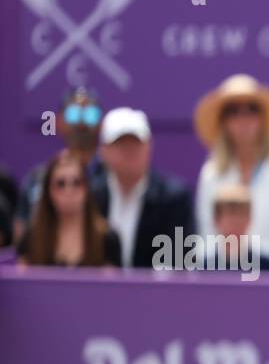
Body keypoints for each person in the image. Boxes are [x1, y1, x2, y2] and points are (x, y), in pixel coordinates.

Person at [193, 74, 269, 261]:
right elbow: (206, 233)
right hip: (224, 272)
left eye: (252, 109)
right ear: (223, 121)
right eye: (233, 111)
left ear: (262, 119)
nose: (243, 118)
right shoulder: (211, 173)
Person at [91, 108, 194, 270]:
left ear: (149, 146)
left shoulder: (174, 199)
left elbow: (179, 263)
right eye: (120, 143)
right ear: (103, 151)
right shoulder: (89, 196)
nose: (129, 151)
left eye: (136, 143)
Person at [13, 87, 104, 243]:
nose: (81, 123)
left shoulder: (112, 180)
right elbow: (21, 238)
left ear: (101, 123)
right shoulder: (38, 179)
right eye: (73, 115)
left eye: (90, 115)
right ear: (60, 122)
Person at [18, 150, 121, 268]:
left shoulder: (107, 239)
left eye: (76, 183)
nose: (69, 191)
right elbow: (23, 282)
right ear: (49, 191)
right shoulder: (31, 238)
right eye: (61, 184)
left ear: (86, 189)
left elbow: (113, 284)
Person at [206, 184, 269, 272]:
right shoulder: (202, 265)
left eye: (241, 215)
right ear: (216, 220)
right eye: (231, 215)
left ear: (249, 219)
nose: (236, 222)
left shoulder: (266, 266)